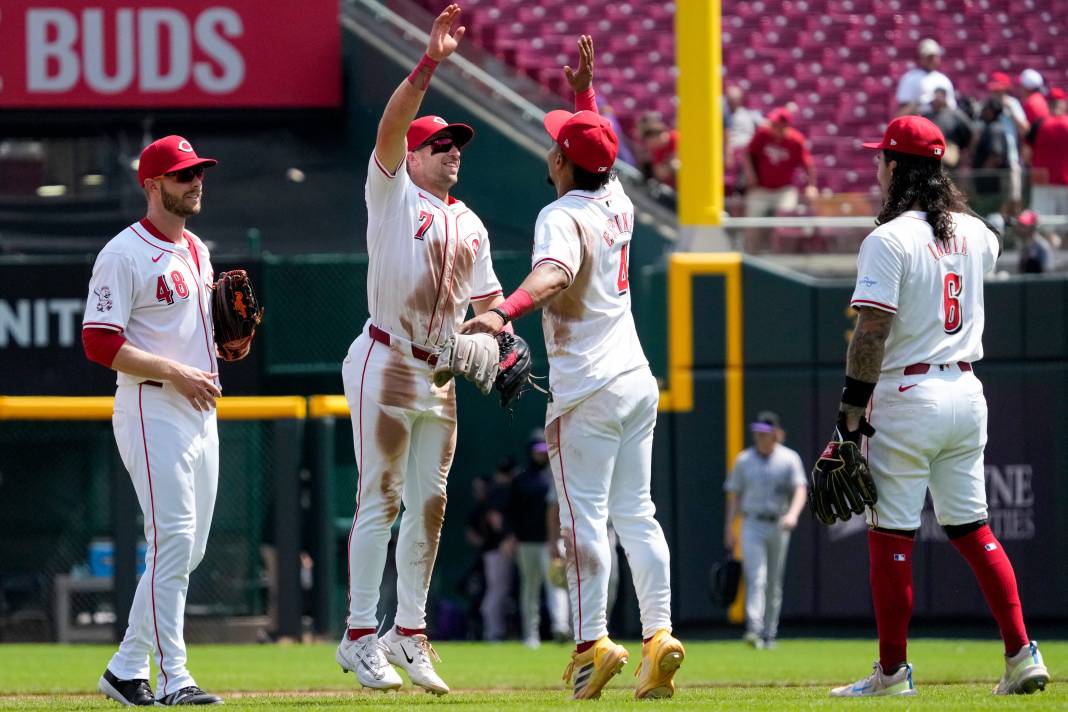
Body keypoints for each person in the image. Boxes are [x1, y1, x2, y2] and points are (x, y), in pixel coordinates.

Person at [459, 34, 683, 701]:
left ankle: (591, 647)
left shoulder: (561, 213)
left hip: (587, 388)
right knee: (636, 513)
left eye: (559, 139)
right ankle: (660, 636)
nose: (550, 144)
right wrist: (584, 94)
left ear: (562, 159)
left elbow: (554, 274)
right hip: (638, 379)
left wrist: (505, 314)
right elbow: (599, 151)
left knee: (583, 521)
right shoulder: (619, 200)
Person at [825, 115, 1050, 697]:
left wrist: (850, 413)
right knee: (974, 527)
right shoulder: (978, 233)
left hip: (906, 393)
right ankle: (1021, 653)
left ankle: (893, 673)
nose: (877, 167)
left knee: (891, 536)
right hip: (966, 391)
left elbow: (872, 330)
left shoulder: (888, 238)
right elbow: (978, 257)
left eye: (881, 159)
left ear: (897, 168)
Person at [334, 4, 507, 696]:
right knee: (377, 498)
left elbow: (492, 305)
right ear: (413, 154)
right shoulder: (393, 191)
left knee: (429, 505)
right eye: (440, 144)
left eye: (457, 145)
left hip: (440, 371)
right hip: (385, 353)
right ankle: (356, 636)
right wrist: (430, 62)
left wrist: (494, 338)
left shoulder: (471, 223)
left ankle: (408, 632)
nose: (452, 152)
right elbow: (390, 124)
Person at [83, 135, 224, 706]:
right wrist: (175, 371)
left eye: (197, 173)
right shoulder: (123, 253)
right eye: (183, 175)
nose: (195, 182)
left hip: (199, 408)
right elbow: (98, 343)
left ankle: (124, 667)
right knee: (173, 541)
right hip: (149, 405)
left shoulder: (198, 250)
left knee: (187, 551)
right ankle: (174, 679)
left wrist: (226, 350)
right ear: (153, 186)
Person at [722, 411, 807, 650]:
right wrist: (730, 527)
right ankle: (754, 630)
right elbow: (734, 496)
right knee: (755, 577)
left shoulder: (789, 458)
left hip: (779, 523)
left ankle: (770, 633)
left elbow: (800, 489)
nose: (760, 437)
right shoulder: (744, 460)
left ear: (776, 434)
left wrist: (792, 514)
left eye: (765, 433)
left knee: (773, 581)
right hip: (752, 523)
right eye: (757, 432)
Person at [509, 430, 570, 648]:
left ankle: (560, 627)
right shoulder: (520, 479)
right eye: (537, 449)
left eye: (544, 449)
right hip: (527, 542)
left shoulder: (557, 476)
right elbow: (512, 512)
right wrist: (513, 537)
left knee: (556, 585)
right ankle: (531, 635)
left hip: (551, 542)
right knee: (530, 588)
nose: (541, 453)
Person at [743, 107, 818, 253]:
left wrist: (811, 186)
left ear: (785, 125)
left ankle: (781, 255)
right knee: (752, 222)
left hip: (784, 190)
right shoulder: (763, 134)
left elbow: (808, 166)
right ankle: (751, 255)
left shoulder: (796, 140)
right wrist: (750, 175)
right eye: (772, 123)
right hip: (761, 188)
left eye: (776, 124)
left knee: (785, 220)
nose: (772, 126)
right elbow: (748, 154)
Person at [480, 457, 516, 641]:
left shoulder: (496, 489)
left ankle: (494, 630)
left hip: (495, 547)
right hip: (496, 547)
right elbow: (495, 519)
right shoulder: (498, 490)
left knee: (498, 590)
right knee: (497, 591)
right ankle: (492, 632)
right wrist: (506, 538)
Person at [895, 38, 956, 116]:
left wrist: (941, 102)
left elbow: (953, 109)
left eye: (935, 57)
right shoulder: (910, 78)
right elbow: (901, 113)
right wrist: (921, 102)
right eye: (929, 57)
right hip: (920, 119)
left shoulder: (944, 80)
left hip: (942, 120)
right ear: (921, 57)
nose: (932, 60)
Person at [922, 88, 973, 169]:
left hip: (949, 149)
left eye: (939, 97)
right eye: (935, 97)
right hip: (930, 152)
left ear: (944, 98)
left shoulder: (955, 115)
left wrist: (964, 152)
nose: (936, 100)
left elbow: (969, 133)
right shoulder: (926, 115)